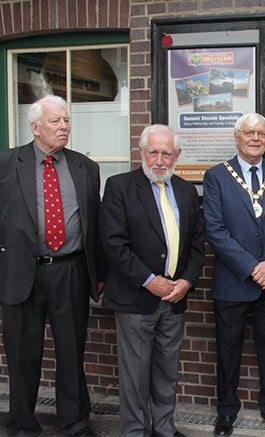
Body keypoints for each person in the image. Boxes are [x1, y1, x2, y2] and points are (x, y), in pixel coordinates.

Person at [0, 95, 104, 436]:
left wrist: (98, 274)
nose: (64, 127)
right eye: (55, 121)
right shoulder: (5, 164)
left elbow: (94, 225)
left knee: (72, 354)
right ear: (35, 127)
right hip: (21, 272)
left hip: (70, 270)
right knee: (22, 355)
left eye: (66, 121)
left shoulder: (85, 168)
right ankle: (22, 426)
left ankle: (74, 424)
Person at [100, 124, 205, 437]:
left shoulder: (187, 190)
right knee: (134, 372)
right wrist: (149, 280)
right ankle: (134, 431)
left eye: (166, 153)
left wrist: (186, 281)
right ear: (141, 152)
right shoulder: (119, 186)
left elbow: (198, 245)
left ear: (177, 156)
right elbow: (113, 244)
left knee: (166, 370)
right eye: (153, 152)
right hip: (136, 298)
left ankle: (163, 428)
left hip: (174, 298)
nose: (159, 160)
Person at [203, 113, 265, 437]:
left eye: (261, 133)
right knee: (227, 350)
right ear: (237, 136)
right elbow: (215, 231)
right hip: (233, 282)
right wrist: (252, 268)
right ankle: (226, 411)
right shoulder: (216, 176)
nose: (256, 138)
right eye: (249, 133)